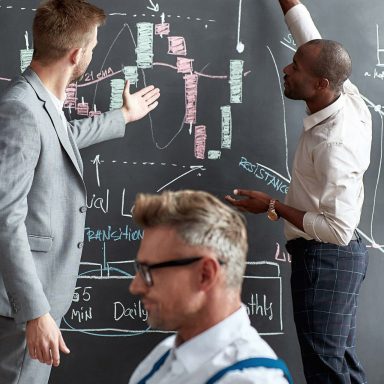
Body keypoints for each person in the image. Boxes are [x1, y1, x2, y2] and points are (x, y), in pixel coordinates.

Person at [0, 0, 160, 383]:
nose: (92, 53)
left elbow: (62, 138)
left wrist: (121, 116)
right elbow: (6, 219)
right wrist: (36, 311)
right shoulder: (21, 109)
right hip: (26, 304)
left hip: (37, 299)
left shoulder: (40, 103)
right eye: (92, 47)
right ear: (76, 55)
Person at [225, 0, 371, 383]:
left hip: (327, 260)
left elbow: (338, 230)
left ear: (321, 83)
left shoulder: (334, 143)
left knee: (325, 370)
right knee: (341, 364)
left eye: (295, 68)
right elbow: (310, 38)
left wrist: (272, 205)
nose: (286, 70)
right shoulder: (346, 93)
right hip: (334, 261)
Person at [128, 190, 292, 384]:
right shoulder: (164, 355)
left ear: (205, 275)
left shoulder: (251, 380)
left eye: (149, 271)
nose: (135, 286)